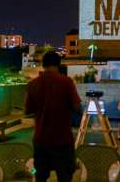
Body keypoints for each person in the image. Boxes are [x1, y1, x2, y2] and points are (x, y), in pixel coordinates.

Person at [25, 51, 81, 182]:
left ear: (43, 65)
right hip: (62, 139)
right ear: (58, 64)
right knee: (65, 176)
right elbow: (77, 106)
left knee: (41, 177)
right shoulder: (66, 82)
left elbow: (27, 110)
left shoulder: (33, 84)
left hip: (40, 139)